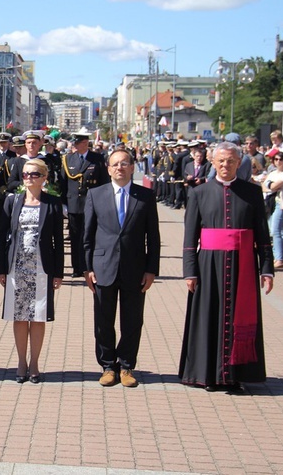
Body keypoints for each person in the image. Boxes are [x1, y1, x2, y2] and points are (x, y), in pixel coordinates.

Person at [179, 141, 274, 392]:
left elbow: (262, 235)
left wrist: (267, 268)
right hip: (209, 265)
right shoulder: (199, 193)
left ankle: (235, 376)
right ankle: (209, 375)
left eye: (231, 161)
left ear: (238, 163)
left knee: (238, 319)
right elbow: (190, 237)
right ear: (213, 161)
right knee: (210, 318)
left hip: (243, 265)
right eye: (221, 160)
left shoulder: (252, 192)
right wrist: (189, 271)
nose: (225, 165)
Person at [84, 148, 160, 387]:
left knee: (132, 321)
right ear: (108, 168)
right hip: (103, 266)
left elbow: (153, 237)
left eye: (124, 163)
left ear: (132, 167)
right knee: (103, 321)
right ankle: (107, 366)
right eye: (115, 164)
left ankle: (126, 366)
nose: (120, 168)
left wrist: (151, 269)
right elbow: (87, 236)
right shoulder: (95, 194)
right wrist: (87, 268)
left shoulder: (145, 196)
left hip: (134, 268)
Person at [0, 158, 63, 384]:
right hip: (18, 266)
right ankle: (21, 362)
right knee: (20, 316)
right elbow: (1, 237)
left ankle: (35, 363)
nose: (29, 178)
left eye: (34, 174)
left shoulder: (52, 203)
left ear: (44, 178)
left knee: (38, 315)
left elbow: (58, 242)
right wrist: (0, 269)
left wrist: (58, 273)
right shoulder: (12, 202)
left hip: (42, 268)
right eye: (25, 174)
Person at [61, 128, 109, 277]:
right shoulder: (68, 159)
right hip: (74, 204)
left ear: (85, 143)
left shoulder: (97, 159)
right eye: (74, 142)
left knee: (90, 236)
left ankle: (89, 266)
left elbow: (103, 182)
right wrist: (63, 203)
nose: (75, 145)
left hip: (91, 203)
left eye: (78, 142)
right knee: (75, 237)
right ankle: (77, 268)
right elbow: (63, 183)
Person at [262, 151, 283, 269]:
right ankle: (278, 257)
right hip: (270, 202)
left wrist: (269, 185)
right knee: (276, 231)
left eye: (280, 159)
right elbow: (264, 185)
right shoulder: (272, 173)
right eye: (276, 159)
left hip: (280, 203)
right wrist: (269, 185)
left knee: (276, 230)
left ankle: (279, 258)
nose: (278, 161)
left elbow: (273, 186)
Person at [0, 132, 17, 242]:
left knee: (9, 218)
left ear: (8, 143)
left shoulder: (13, 156)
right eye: (0, 142)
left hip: (9, 192)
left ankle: (8, 240)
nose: (2, 145)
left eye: (4, 142)